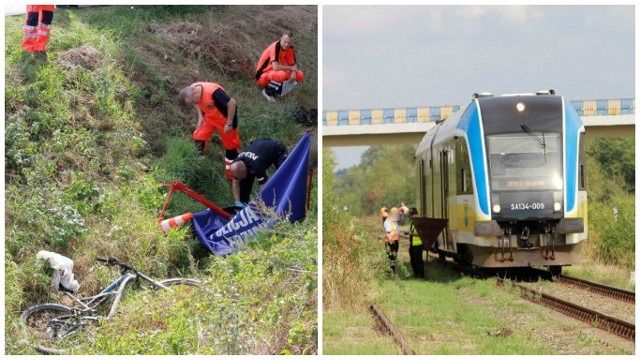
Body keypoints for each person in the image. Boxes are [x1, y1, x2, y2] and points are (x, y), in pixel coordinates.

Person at [179, 82, 241, 181]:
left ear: (194, 93)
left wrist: (229, 123)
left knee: (231, 147)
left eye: (193, 102)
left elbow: (232, 103)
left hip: (224, 119)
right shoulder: (193, 88)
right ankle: (198, 163)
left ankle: (233, 177)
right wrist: (200, 116)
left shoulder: (213, 92)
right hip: (209, 117)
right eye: (192, 104)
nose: (194, 104)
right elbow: (196, 103)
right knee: (199, 136)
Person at [229, 138, 288, 206]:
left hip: (278, 151)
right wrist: (237, 202)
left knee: (284, 177)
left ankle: (282, 203)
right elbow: (235, 183)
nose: (241, 178)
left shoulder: (256, 164)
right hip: (258, 151)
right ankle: (242, 207)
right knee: (243, 186)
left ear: (243, 170)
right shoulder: (236, 164)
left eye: (241, 176)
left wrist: (261, 205)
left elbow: (264, 187)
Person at [255, 30, 304, 102]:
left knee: (299, 75)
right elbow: (276, 67)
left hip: (274, 73)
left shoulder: (289, 49)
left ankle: (278, 92)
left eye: (289, 43)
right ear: (280, 39)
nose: (286, 45)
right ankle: (267, 92)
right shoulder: (276, 47)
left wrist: (293, 72)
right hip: (263, 76)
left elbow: (293, 64)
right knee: (282, 74)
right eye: (285, 42)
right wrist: (291, 68)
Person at [405, 207, 425, 278]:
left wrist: (411, 234)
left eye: (411, 215)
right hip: (413, 244)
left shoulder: (419, 222)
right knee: (413, 260)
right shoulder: (413, 222)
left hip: (418, 245)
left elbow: (421, 233)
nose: (411, 217)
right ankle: (416, 273)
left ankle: (421, 275)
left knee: (418, 260)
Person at [383, 207, 401, 274]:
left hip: (395, 241)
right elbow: (388, 234)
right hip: (390, 242)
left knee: (393, 257)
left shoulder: (394, 222)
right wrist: (391, 243)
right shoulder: (387, 222)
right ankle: (390, 272)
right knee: (391, 257)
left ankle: (392, 271)